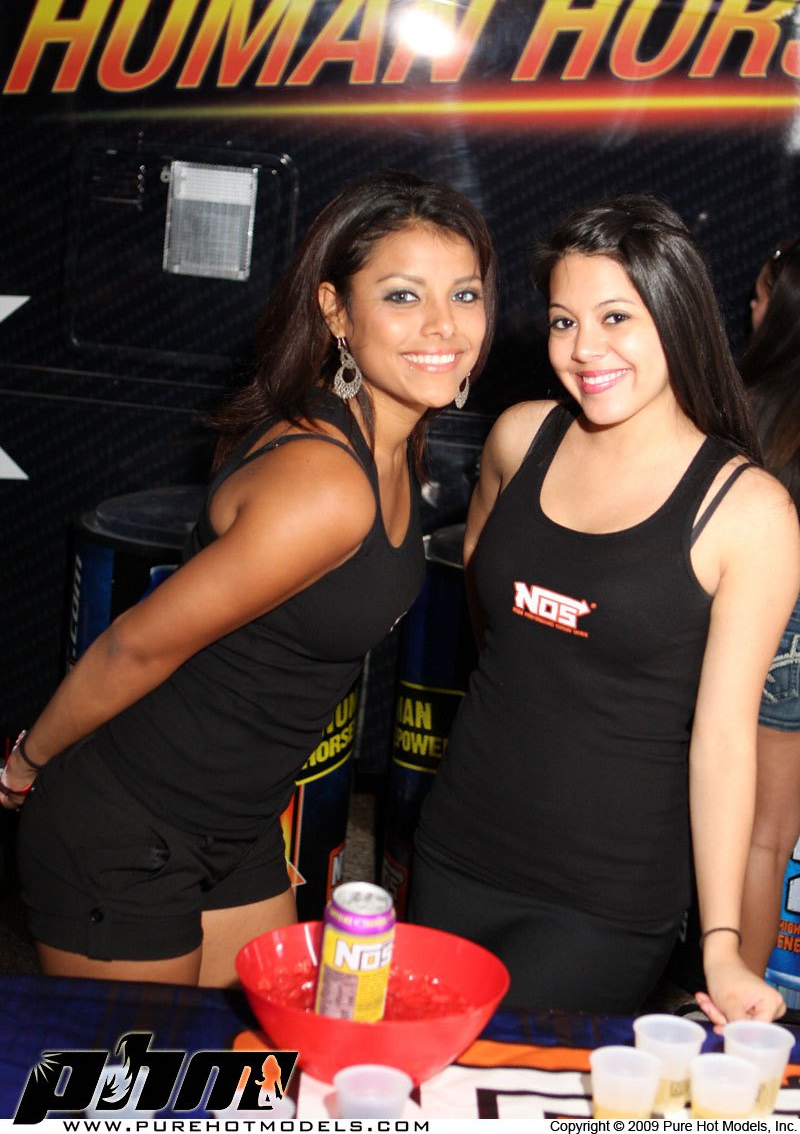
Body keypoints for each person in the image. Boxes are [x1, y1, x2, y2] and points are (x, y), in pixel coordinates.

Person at [0, 169, 496, 987]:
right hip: (128, 819)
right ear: (336, 311)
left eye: (465, 294)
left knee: (257, 1062)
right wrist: (26, 763)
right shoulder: (326, 481)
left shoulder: (390, 440)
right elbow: (134, 646)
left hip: (235, 825)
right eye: (403, 296)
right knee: (146, 1069)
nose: (444, 325)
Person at [409, 195, 800, 1025]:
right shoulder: (518, 439)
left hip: (602, 900)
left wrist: (722, 944)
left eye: (616, 316)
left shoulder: (748, 512)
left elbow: (725, 741)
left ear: (676, 315)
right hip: (456, 846)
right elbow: (491, 623)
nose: (584, 348)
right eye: (563, 321)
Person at [739, 236, 800, 978]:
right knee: (770, 833)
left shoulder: (745, 407)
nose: (749, 312)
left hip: (768, 623)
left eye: (758, 299)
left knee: (757, 832)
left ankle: (734, 1000)